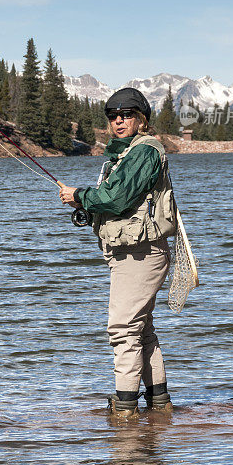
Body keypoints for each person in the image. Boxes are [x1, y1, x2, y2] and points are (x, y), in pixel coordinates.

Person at [59, 87, 176, 418]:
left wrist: (80, 196)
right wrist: (85, 200)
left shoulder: (144, 152)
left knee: (122, 329)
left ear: (141, 119)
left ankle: (125, 409)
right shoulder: (127, 154)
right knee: (142, 330)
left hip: (141, 254)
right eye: (113, 116)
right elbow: (116, 197)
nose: (119, 121)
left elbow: (116, 198)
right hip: (134, 254)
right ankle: (159, 406)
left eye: (126, 115)